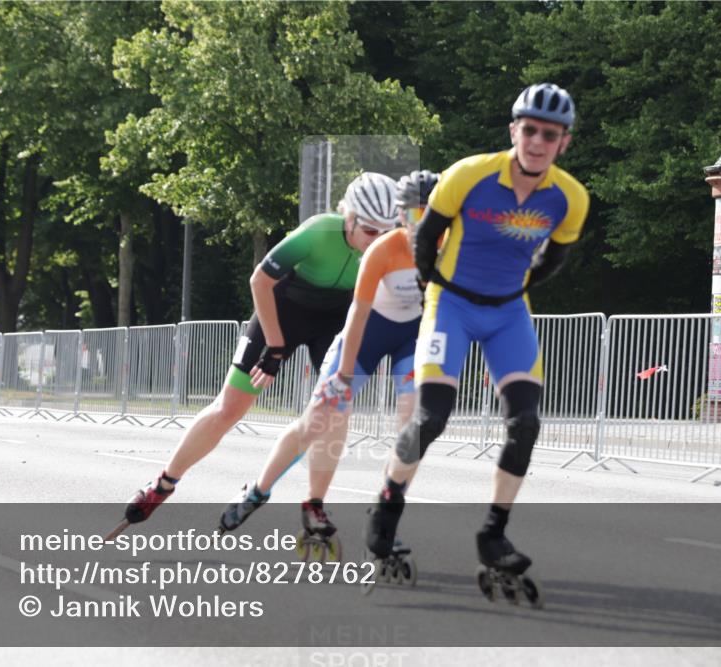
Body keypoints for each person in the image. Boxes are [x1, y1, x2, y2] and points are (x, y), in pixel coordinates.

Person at [365, 83, 590, 581]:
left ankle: (493, 532)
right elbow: (425, 240)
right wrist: (432, 290)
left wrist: (512, 287)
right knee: (430, 418)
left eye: (548, 134)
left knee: (525, 423)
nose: (536, 141)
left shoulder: (569, 198)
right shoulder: (469, 175)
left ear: (563, 143)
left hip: (509, 312)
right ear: (514, 130)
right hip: (452, 305)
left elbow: (554, 259)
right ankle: (388, 501)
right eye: (528, 129)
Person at [112, 172, 401, 534]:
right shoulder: (319, 231)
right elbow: (260, 281)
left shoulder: (390, 246)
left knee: (335, 412)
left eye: (387, 232)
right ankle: (164, 483)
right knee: (229, 408)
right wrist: (276, 346)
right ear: (350, 218)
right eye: (371, 232)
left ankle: (313, 504)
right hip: (282, 310)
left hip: (334, 319)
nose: (379, 241)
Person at [217, 171, 441, 544]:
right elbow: (357, 314)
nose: (423, 226)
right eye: (414, 217)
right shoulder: (385, 249)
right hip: (366, 335)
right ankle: (259, 490)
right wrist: (345, 374)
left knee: (413, 421)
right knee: (321, 418)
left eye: (433, 217)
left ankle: (387, 512)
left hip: (409, 339)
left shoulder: (452, 248)